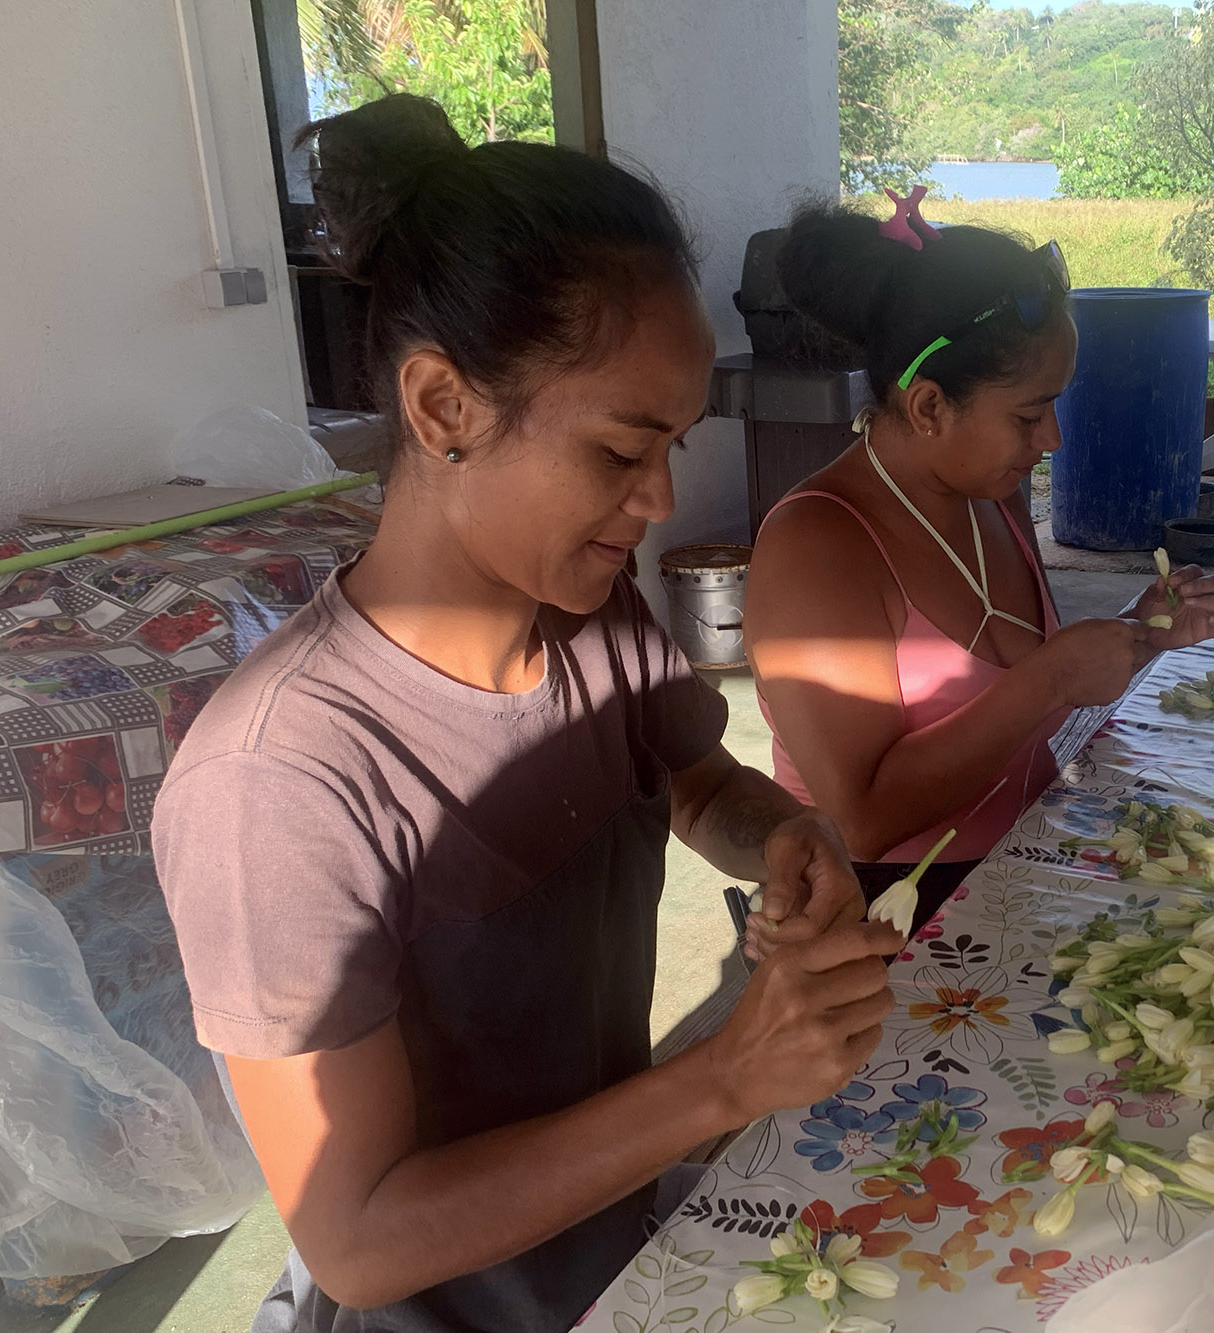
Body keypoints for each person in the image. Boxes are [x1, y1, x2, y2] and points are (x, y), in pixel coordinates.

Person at [151, 95, 900, 1332]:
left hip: (616, 1259)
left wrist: (783, 838)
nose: (658, 500)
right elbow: (357, 1238)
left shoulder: (588, 616)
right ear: (444, 407)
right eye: (619, 452)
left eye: (674, 443)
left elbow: (697, 783)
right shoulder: (282, 781)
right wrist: (721, 1079)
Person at [744, 201, 1214, 930]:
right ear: (930, 406)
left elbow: (1018, 699)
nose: (1055, 438)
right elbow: (865, 818)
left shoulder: (989, 499)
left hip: (1022, 872)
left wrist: (1137, 633)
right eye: (1030, 413)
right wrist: (1056, 677)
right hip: (896, 922)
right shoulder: (817, 548)